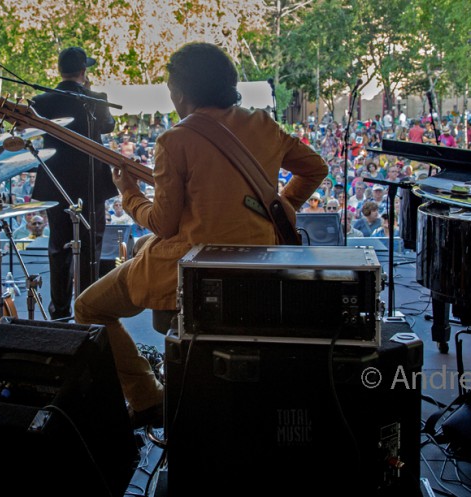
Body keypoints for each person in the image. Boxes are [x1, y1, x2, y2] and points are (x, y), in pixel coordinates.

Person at [73, 42, 327, 427]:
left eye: (173, 91)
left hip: (198, 266)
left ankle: (146, 397)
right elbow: (315, 169)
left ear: (183, 93)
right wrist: (279, 208)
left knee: (88, 308)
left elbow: (163, 223)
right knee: (143, 248)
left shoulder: (174, 140)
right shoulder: (263, 124)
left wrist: (129, 193)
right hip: (260, 260)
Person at [31, 46, 117, 319]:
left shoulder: (42, 101)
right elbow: (108, 126)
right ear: (83, 71)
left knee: (58, 247)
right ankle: (88, 306)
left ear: (59, 71)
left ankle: (59, 310)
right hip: (90, 181)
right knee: (91, 244)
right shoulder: (96, 99)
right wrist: (91, 92)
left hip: (55, 181)